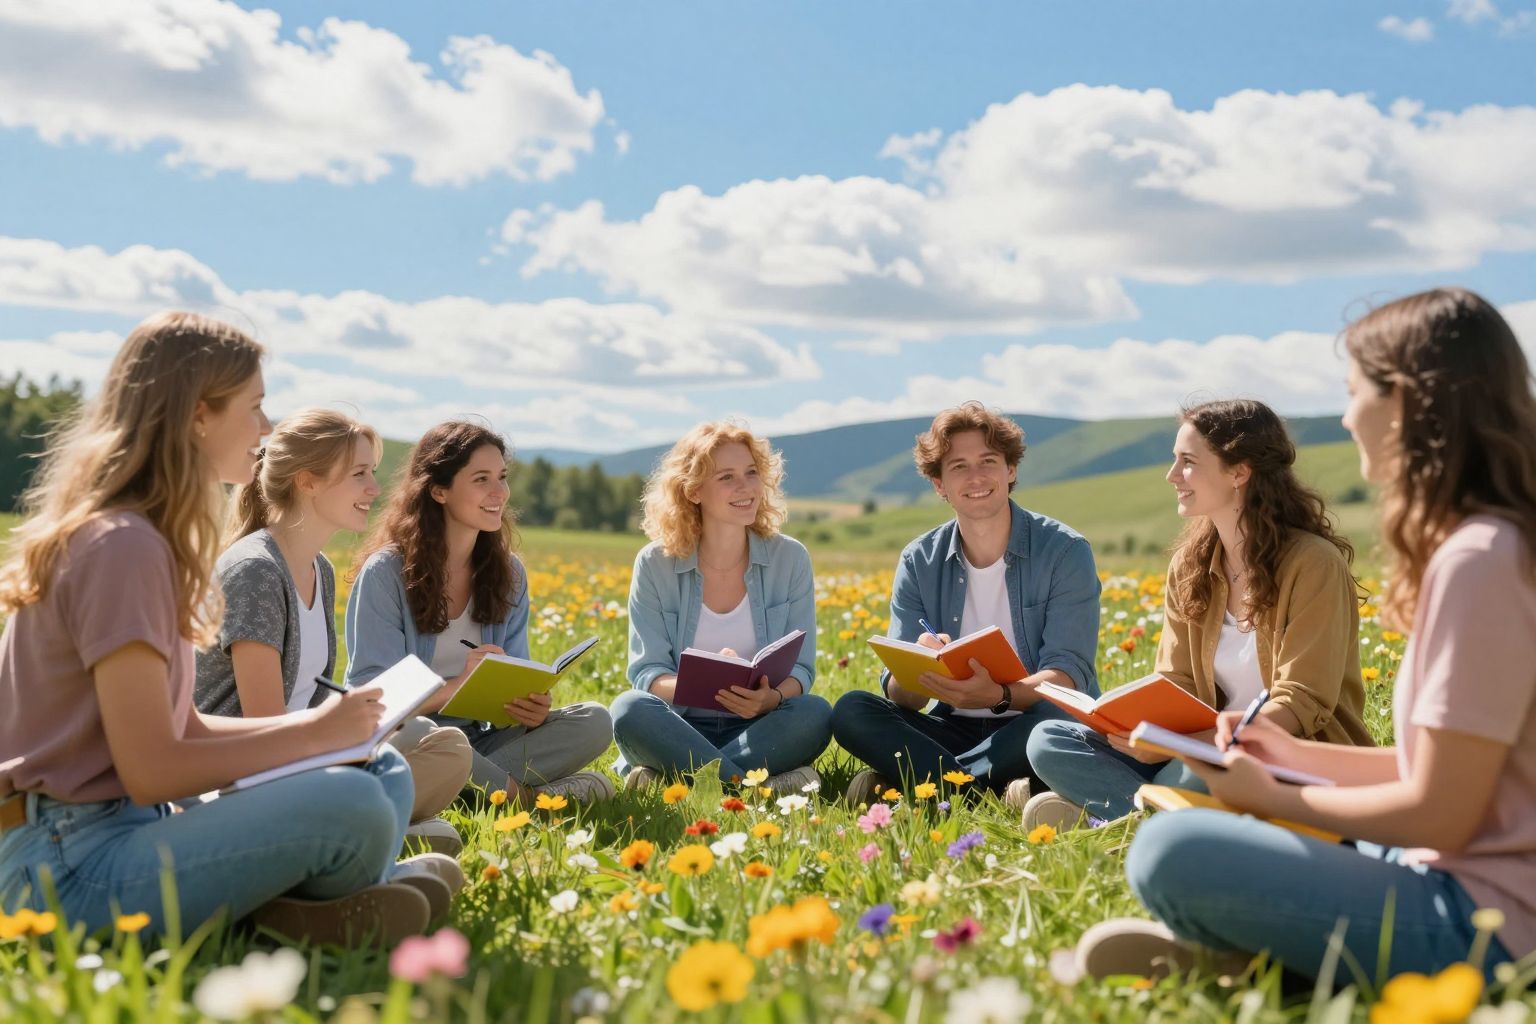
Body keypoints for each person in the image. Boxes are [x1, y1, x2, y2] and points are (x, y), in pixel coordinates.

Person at [1074, 288, 1534, 984]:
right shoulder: (1492, 548)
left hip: (1488, 922)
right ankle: (1273, 955)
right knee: (1191, 828)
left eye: (1355, 393)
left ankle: (1270, 959)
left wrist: (1273, 797)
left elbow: (1440, 814)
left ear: (1410, 402)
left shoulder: (1479, 561)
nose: (1346, 417)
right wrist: (1289, 756)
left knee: (1169, 852)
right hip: (1447, 874)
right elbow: (1427, 768)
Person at [0, 312, 458, 947]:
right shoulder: (121, 547)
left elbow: (180, 729)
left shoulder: (141, 538)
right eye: (255, 406)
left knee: (380, 772)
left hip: (121, 832)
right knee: (352, 804)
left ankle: (291, 908)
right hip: (68, 866)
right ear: (197, 416)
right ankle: (287, 908)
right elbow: (152, 769)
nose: (266, 428)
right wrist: (312, 734)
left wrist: (323, 730)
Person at [1024, 400, 1372, 832]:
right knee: (1049, 740)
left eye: (1187, 462)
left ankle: (1127, 818)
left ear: (1239, 472)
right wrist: (1136, 727)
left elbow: (1301, 703)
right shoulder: (1190, 565)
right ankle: (1159, 817)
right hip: (1198, 750)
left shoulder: (1312, 563)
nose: (1172, 476)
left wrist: (1188, 747)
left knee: (1194, 773)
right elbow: (1177, 681)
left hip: (1284, 754)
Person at [194, 408, 472, 855]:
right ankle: (357, 825)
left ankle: (364, 823)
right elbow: (264, 725)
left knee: (438, 742)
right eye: (359, 474)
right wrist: (341, 745)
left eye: (373, 473)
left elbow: (311, 697)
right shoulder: (256, 572)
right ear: (308, 481)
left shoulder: (318, 569)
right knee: (433, 773)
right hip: (249, 777)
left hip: (301, 757)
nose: (374, 489)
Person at [829, 402, 1101, 805]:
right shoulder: (918, 560)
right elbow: (904, 699)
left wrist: (998, 696)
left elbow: (1067, 677)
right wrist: (915, 670)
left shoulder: (1065, 551)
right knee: (852, 710)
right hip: (951, 725)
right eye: (958, 466)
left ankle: (923, 784)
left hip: (1033, 719)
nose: (976, 477)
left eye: (988, 461)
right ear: (939, 484)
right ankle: (995, 788)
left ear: (1011, 470)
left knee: (1064, 721)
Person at [346, 420, 613, 805]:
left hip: (480, 740)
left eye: (502, 477)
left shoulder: (509, 574)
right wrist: (457, 686)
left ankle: (467, 791)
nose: (499, 492)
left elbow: (516, 676)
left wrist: (527, 706)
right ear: (439, 490)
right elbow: (375, 699)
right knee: (425, 733)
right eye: (481, 479)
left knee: (595, 720)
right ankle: (527, 800)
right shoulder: (386, 572)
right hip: (411, 738)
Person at [610, 421, 831, 792]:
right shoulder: (654, 563)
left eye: (751, 473)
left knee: (817, 713)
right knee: (629, 709)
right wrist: (708, 685)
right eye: (727, 477)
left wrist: (769, 699)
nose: (746, 487)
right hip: (678, 726)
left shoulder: (790, 558)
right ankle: (758, 787)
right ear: (694, 491)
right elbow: (648, 673)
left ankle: (678, 780)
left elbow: (802, 671)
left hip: (759, 727)